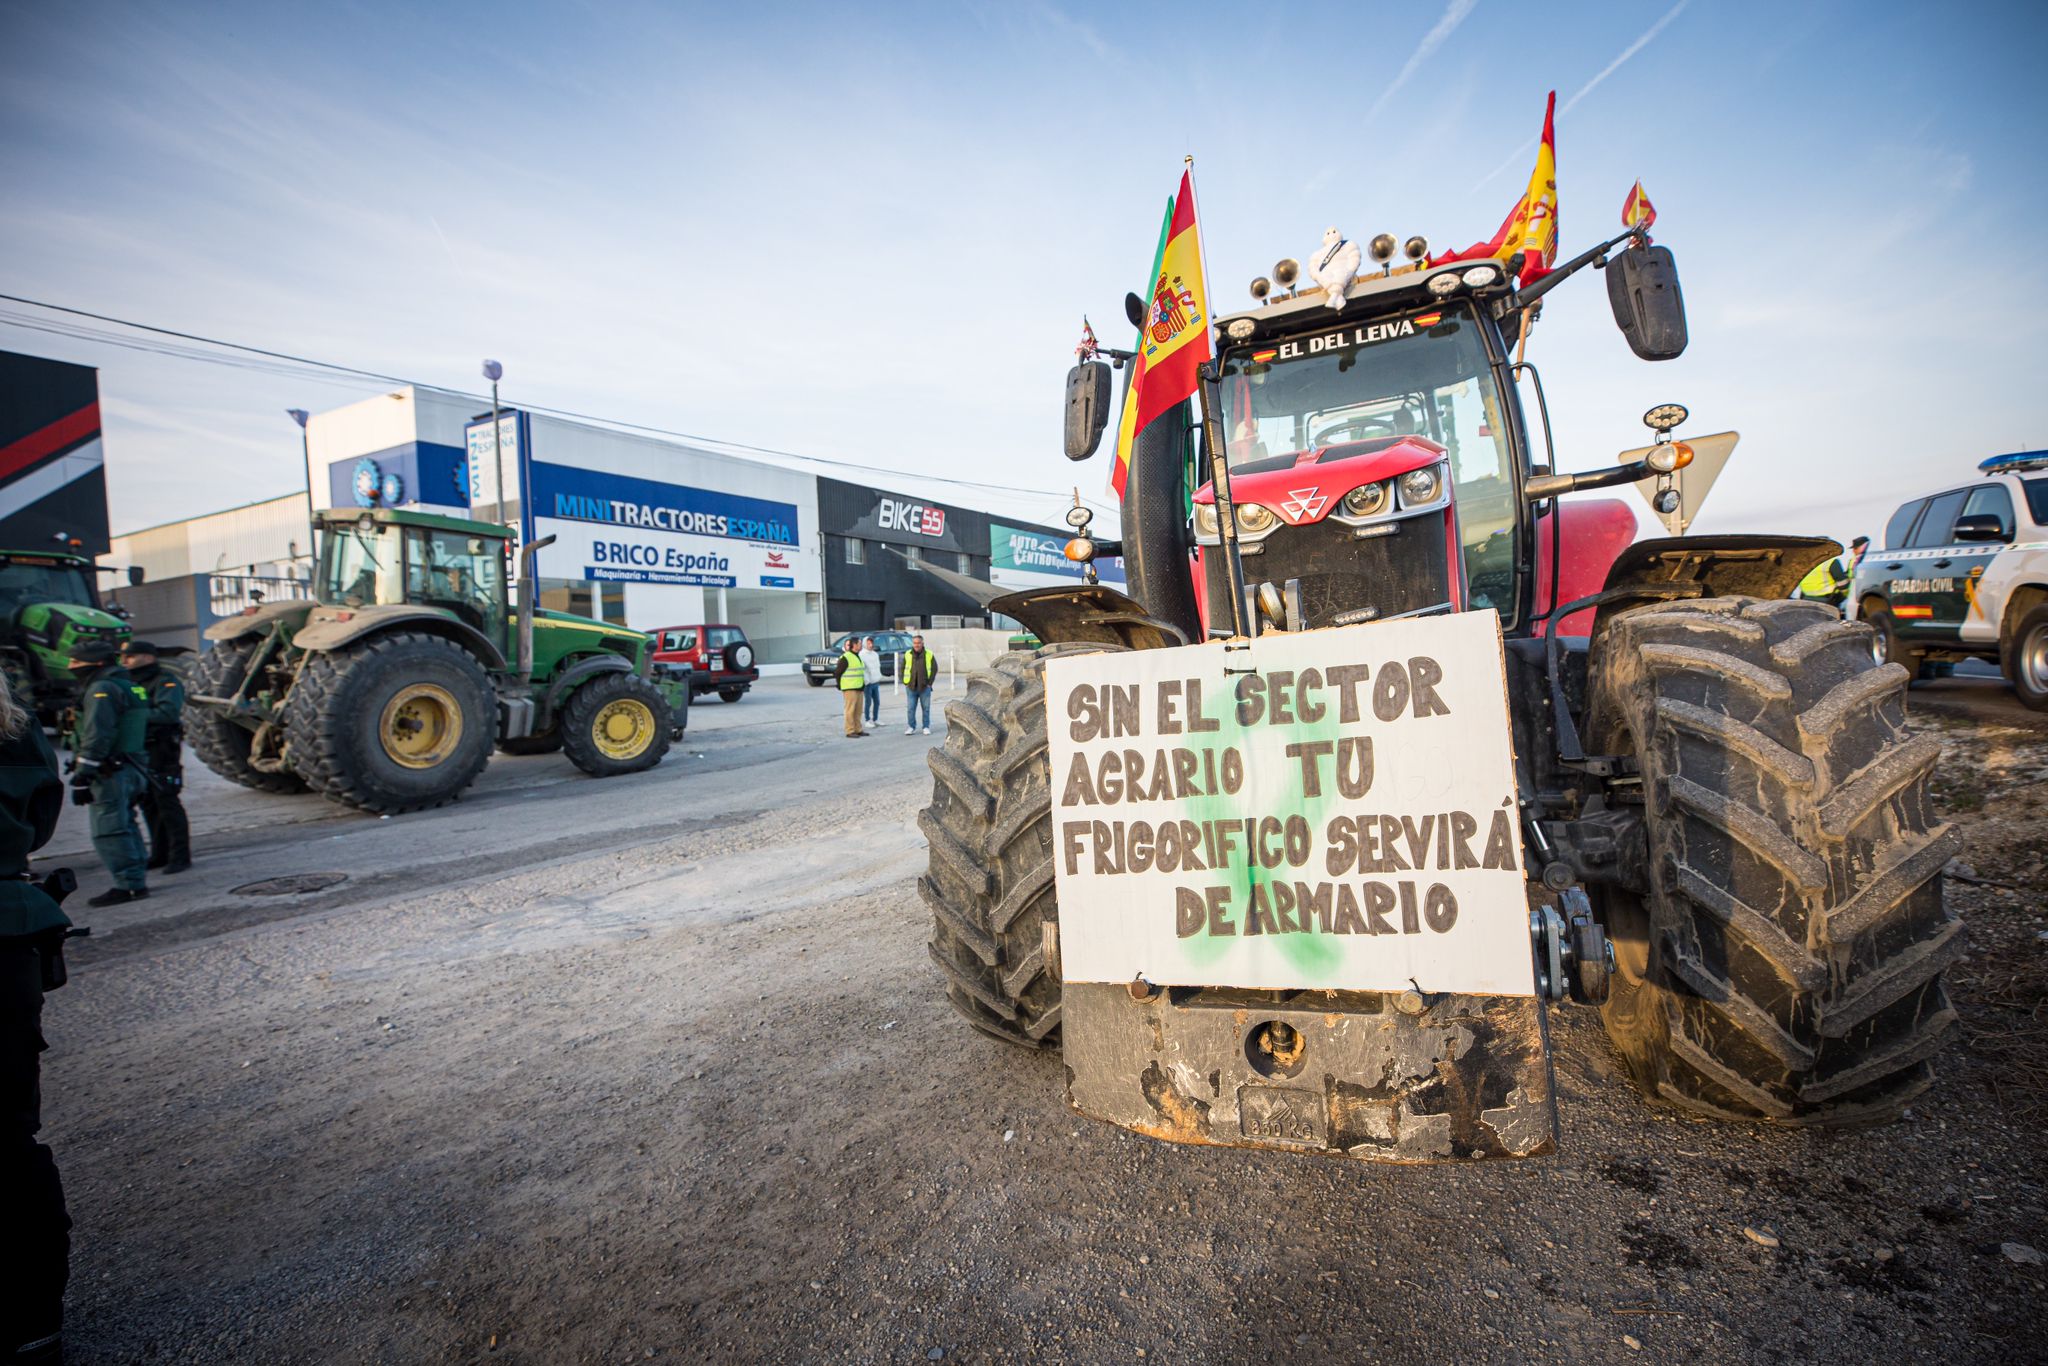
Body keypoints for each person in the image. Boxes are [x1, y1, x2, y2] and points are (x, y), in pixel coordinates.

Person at [0, 672, 73, 1362]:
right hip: (11, 938)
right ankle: (33, 1323)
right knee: (8, 1137)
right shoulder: (16, 728)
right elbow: (41, 821)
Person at [65, 642, 149, 906]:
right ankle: (137, 877)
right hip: (133, 765)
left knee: (109, 829)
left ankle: (129, 885)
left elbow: (97, 733)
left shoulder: (101, 689)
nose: (70, 667)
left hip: (111, 770)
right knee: (126, 823)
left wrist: (83, 774)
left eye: (76, 662)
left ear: (97, 663)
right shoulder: (130, 685)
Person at [120, 641, 190, 875]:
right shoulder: (132, 682)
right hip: (141, 748)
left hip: (162, 748)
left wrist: (133, 717)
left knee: (167, 800)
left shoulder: (165, 681)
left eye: (131, 656)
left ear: (148, 657)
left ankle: (180, 855)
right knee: (148, 801)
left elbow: (168, 712)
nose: (125, 660)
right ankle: (159, 853)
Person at [1794, 535, 1871, 612]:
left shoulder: (1803, 563)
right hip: (1830, 600)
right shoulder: (1831, 562)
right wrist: (1849, 596)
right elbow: (1843, 584)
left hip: (1807, 599)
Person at [833, 635, 868, 738]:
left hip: (859, 687)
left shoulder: (858, 656)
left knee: (858, 710)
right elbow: (838, 672)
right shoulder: (846, 657)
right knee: (850, 710)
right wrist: (839, 685)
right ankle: (849, 730)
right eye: (859, 643)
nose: (861, 645)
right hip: (850, 688)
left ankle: (858, 729)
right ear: (855, 645)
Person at [903, 634, 938, 735]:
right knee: (910, 709)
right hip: (911, 687)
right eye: (914, 643)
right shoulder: (908, 654)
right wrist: (905, 682)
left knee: (926, 709)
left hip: (924, 687)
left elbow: (934, 669)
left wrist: (930, 683)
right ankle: (911, 726)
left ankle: (926, 727)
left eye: (918, 643)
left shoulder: (929, 654)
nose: (916, 645)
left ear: (922, 643)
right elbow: (903, 668)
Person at [859, 636, 883, 728]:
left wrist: (879, 676)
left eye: (871, 643)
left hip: (875, 681)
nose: (871, 645)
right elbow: (863, 669)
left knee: (877, 701)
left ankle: (875, 719)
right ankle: (867, 720)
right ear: (865, 644)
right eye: (868, 643)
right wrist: (866, 680)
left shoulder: (875, 654)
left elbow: (878, 666)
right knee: (868, 702)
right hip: (868, 683)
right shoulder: (862, 655)